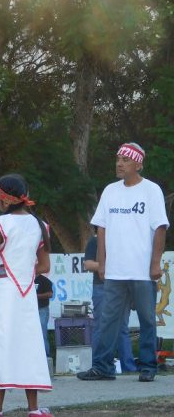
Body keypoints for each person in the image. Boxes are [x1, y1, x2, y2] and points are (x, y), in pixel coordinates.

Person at [77, 142, 169, 383]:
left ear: (138, 164)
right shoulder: (110, 191)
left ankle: (148, 366)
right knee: (108, 320)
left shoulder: (151, 190)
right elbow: (101, 228)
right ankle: (102, 367)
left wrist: (155, 263)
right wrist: (102, 262)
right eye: (118, 159)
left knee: (148, 319)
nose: (119, 163)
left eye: (125, 160)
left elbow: (160, 227)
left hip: (141, 270)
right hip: (115, 271)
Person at [0, 174, 52, 417]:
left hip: (2, 291)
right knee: (29, 346)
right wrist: (22, 270)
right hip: (27, 291)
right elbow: (44, 267)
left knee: (2, 346)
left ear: (4, 199)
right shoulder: (40, 225)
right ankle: (34, 409)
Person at [84, 232, 137, 372]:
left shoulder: (122, 239)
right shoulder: (94, 241)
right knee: (101, 326)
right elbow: (88, 264)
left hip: (123, 287)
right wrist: (111, 266)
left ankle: (129, 368)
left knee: (122, 328)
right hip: (102, 286)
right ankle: (99, 366)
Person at [35, 273, 53, 358]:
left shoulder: (45, 280)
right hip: (30, 311)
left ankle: (46, 356)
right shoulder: (27, 279)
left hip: (42, 309)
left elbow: (50, 294)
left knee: (42, 334)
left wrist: (36, 296)